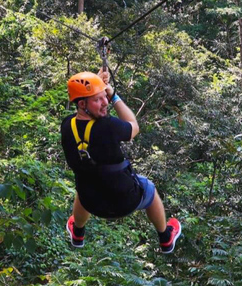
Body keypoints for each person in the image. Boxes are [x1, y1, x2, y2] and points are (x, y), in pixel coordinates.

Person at [61, 69, 182, 253]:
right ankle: (165, 237)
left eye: (105, 98)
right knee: (149, 188)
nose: (105, 103)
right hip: (125, 201)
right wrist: (114, 96)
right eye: (98, 100)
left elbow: (87, 114)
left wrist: (98, 85)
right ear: (82, 104)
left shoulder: (67, 125)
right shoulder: (108, 126)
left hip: (92, 202)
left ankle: (78, 232)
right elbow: (133, 127)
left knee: (83, 183)